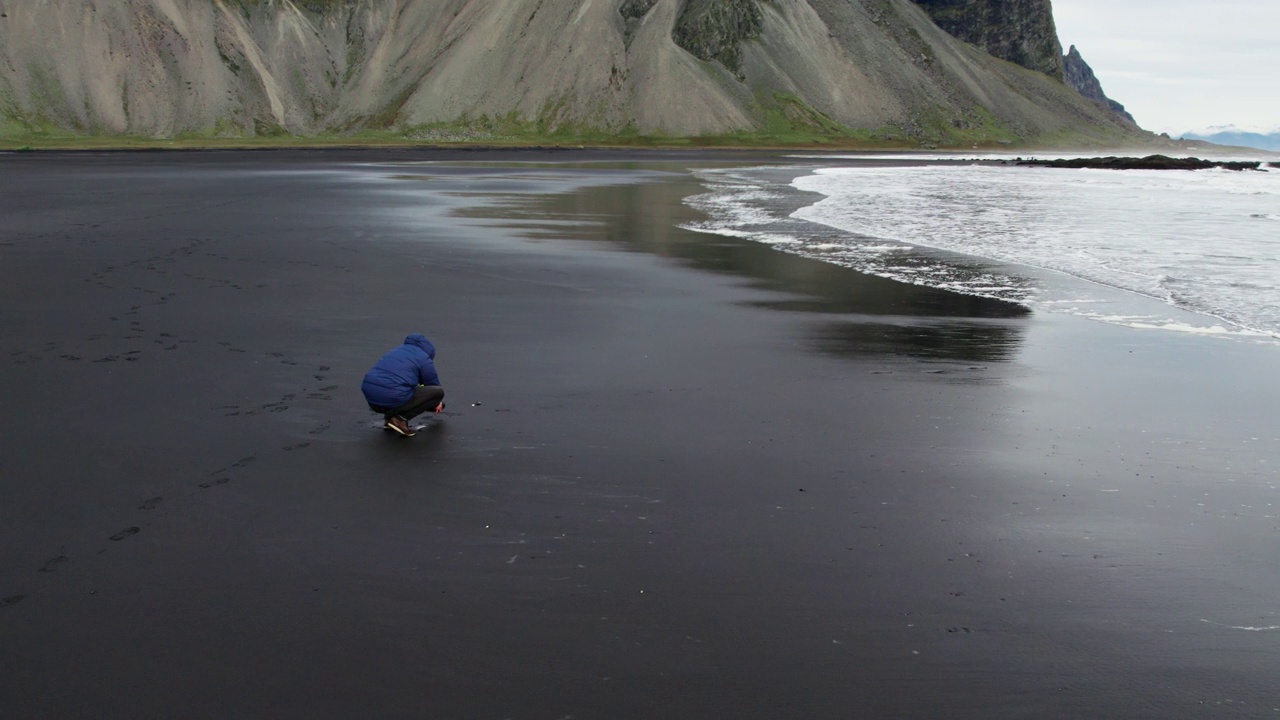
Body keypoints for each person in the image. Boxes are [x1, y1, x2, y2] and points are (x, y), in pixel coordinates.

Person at [361, 333, 445, 437]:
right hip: (391, 396)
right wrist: (438, 402)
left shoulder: (397, 351)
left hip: (372, 399)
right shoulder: (423, 357)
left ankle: (389, 419)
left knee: (399, 387)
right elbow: (432, 384)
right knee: (438, 392)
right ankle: (400, 418)